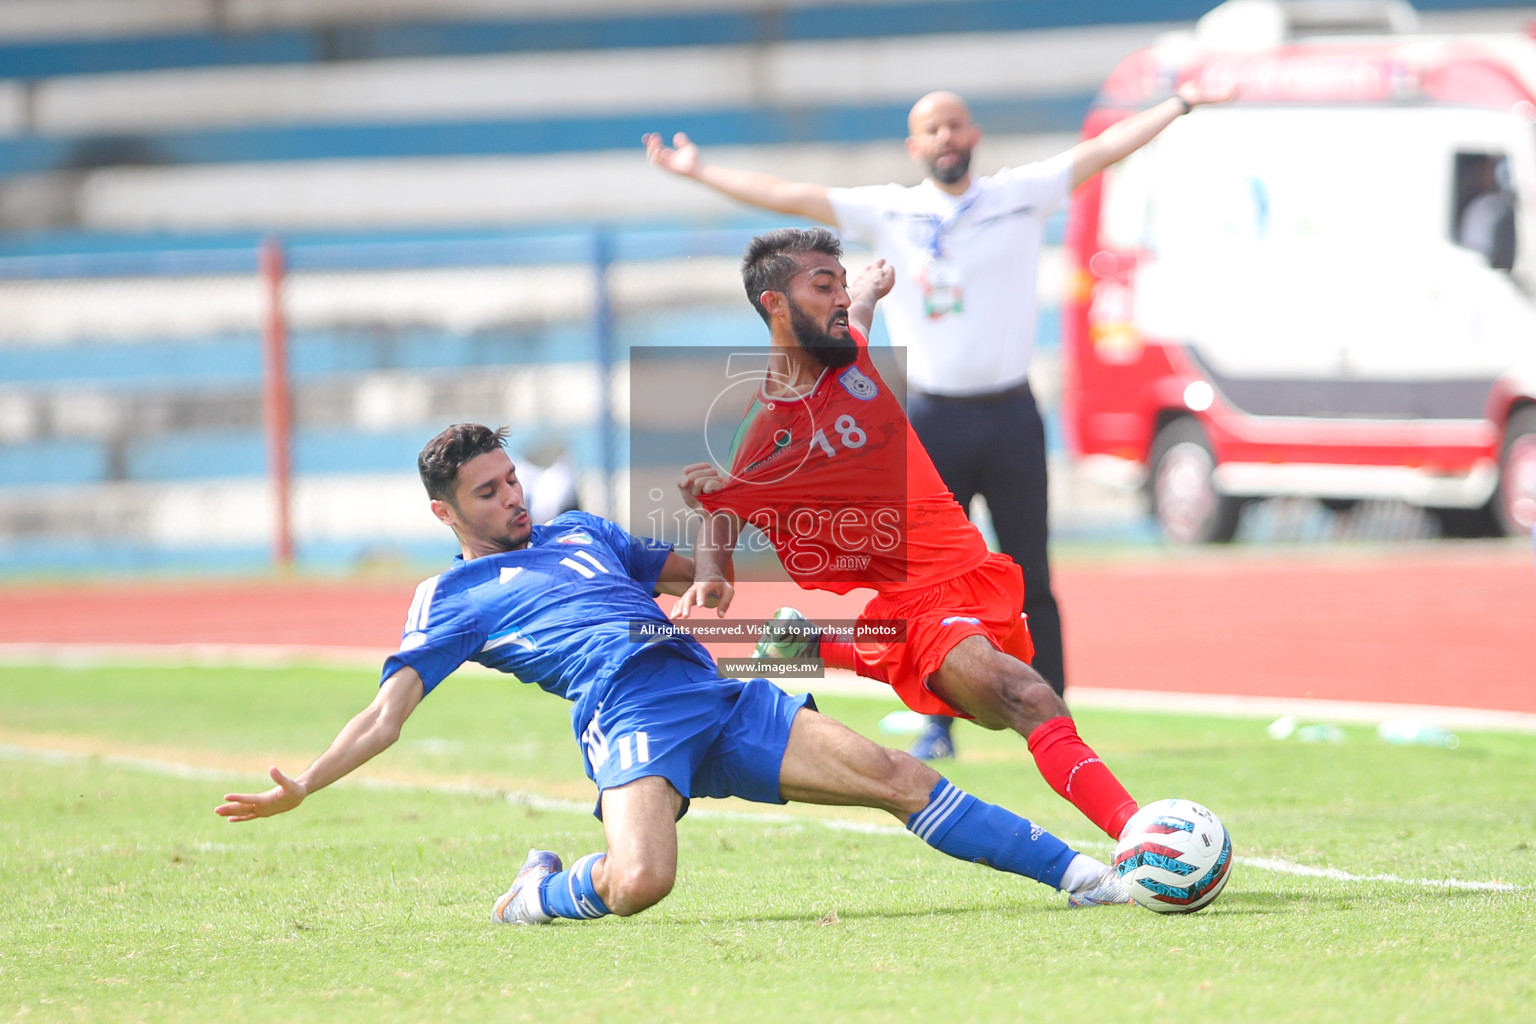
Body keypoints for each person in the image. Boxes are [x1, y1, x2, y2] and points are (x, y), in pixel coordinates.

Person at [214, 422, 1134, 925]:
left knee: (900, 777)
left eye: (513, 478)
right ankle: (538, 893)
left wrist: (722, 514)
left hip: (713, 689)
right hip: (627, 715)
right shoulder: (449, 598)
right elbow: (387, 714)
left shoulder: (584, 532)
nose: (514, 497)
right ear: (444, 510)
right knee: (642, 882)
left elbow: (707, 580)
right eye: (489, 491)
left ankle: (1089, 877)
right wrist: (306, 784)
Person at [646, 83, 1227, 758]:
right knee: (917, 579)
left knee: (1030, 573)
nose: (945, 138)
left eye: (954, 125)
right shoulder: (895, 210)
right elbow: (791, 195)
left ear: (972, 134)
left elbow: (1104, 148)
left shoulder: (1020, 193)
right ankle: (938, 719)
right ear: (914, 145)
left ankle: (1056, 714)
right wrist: (698, 171)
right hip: (926, 420)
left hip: (1011, 412)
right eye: (931, 129)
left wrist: (1178, 104)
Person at [674, 228, 1140, 845]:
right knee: (1030, 697)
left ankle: (818, 645)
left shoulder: (853, 351)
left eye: (842, 283)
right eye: (824, 285)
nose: (841, 297)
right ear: (775, 305)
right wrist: (711, 577)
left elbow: (859, 311)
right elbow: (722, 509)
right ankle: (1144, 836)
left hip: (974, 574)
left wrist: (867, 288)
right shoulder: (765, 431)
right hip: (920, 606)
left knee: (999, 712)